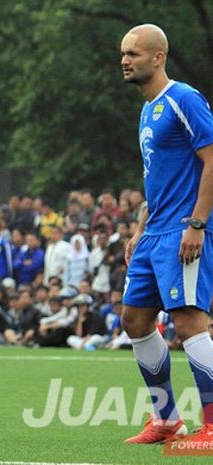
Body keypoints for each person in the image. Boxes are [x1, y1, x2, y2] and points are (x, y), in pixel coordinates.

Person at [120, 24, 213, 444]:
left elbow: (212, 160)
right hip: (153, 232)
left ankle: (212, 425)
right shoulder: (146, 109)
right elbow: (157, 177)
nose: (125, 60)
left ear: (158, 57)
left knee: (190, 323)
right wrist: (139, 228)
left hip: (182, 231)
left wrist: (197, 224)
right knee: (135, 320)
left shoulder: (184, 99)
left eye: (134, 53)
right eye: (124, 53)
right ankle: (166, 419)